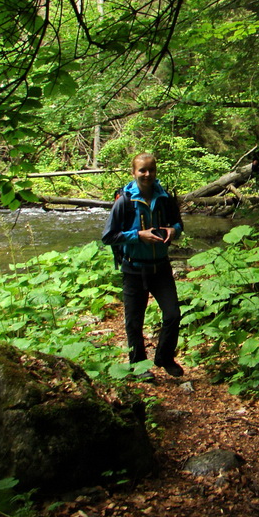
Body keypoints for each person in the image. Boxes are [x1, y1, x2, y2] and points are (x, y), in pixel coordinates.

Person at [101, 153, 185, 380]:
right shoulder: (124, 201)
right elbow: (108, 236)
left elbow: (178, 223)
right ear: (133, 172)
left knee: (173, 315)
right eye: (142, 170)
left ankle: (164, 358)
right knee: (134, 322)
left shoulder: (165, 197)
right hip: (133, 269)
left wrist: (173, 230)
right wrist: (138, 235)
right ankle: (139, 367)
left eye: (151, 170)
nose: (147, 174)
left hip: (161, 268)